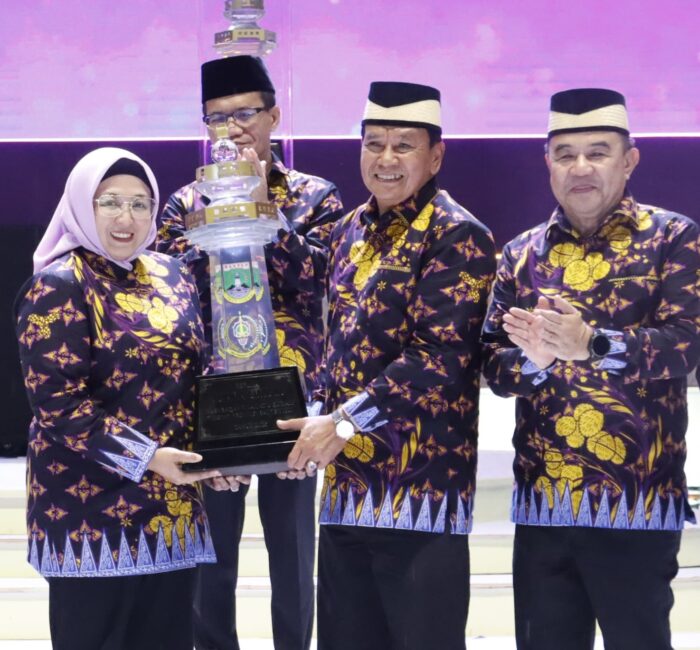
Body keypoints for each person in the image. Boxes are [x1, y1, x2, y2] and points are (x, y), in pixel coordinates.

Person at [278, 81, 497, 650]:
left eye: (404, 145)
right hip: (347, 492)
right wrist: (308, 430)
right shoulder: (347, 230)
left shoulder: (458, 235)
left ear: (436, 156)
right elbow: (339, 348)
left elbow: (440, 358)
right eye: (374, 143)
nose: (386, 158)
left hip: (421, 493)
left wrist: (342, 423)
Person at [481, 88, 700, 650]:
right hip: (543, 503)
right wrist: (533, 362)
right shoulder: (520, 254)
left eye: (598, 152)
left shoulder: (673, 238)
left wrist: (594, 345)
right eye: (566, 154)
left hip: (637, 499)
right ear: (548, 163)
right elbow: (494, 368)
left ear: (629, 160)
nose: (580, 167)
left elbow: (686, 346)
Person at [155, 55, 344, 650]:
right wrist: (219, 222)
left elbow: (321, 281)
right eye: (217, 118)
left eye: (245, 114)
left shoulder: (315, 196)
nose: (232, 129)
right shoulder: (185, 202)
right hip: (213, 401)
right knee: (211, 559)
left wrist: (264, 209)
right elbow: (171, 295)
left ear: (274, 116)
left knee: (294, 556)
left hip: (293, 401)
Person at [15, 147, 222, 650]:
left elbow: (197, 375)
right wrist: (148, 457)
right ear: (81, 206)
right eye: (109, 202)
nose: (126, 218)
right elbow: (60, 405)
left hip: (170, 510)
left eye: (139, 203)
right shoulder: (58, 284)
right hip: (89, 515)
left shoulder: (173, 275)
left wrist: (224, 450)